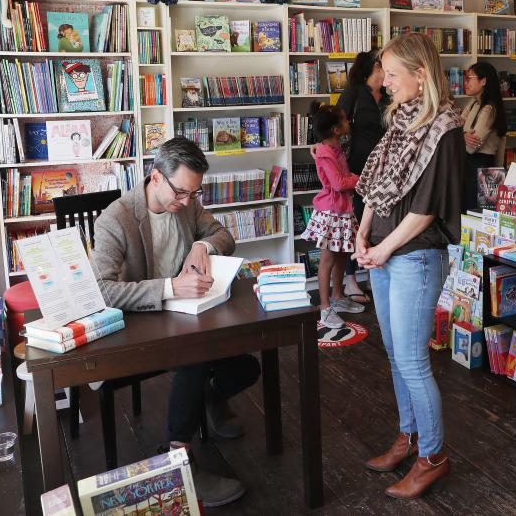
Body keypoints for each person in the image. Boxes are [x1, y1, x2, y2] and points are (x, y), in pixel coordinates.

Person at [91, 137, 260, 508]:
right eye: (181, 193)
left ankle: (209, 398)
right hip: (138, 326)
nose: (186, 202)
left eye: (194, 194)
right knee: (194, 358)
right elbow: (102, 290)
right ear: (155, 177)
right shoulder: (115, 219)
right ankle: (179, 460)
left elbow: (224, 235)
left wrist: (204, 246)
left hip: (185, 318)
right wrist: (170, 287)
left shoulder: (187, 206)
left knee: (247, 366)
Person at [353, 32, 464, 499]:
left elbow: (429, 208)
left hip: (415, 257)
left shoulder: (446, 129)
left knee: (413, 361)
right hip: (381, 251)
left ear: (421, 75)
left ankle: (433, 456)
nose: (386, 81)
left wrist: (382, 249)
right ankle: (409, 437)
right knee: (397, 356)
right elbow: (376, 185)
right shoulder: (399, 121)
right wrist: (362, 233)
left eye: (394, 74)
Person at [301, 101, 364, 328]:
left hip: (342, 209)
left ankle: (338, 297)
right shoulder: (326, 152)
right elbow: (337, 183)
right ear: (336, 130)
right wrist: (359, 179)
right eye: (345, 120)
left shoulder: (333, 146)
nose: (349, 122)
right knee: (328, 259)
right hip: (332, 211)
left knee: (342, 255)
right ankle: (325, 308)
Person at [336, 50, 389, 304]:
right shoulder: (354, 93)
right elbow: (334, 123)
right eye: (382, 64)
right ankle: (350, 279)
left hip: (387, 171)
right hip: (357, 169)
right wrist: (321, 147)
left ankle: (376, 271)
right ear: (374, 67)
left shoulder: (389, 95)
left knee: (380, 221)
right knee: (355, 222)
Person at [460, 61, 505, 211]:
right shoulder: (473, 103)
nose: (465, 82)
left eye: (469, 78)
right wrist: (463, 135)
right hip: (469, 165)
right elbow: (454, 126)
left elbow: (471, 147)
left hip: (482, 168)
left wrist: (461, 135)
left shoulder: (489, 109)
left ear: (483, 81)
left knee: (476, 213)